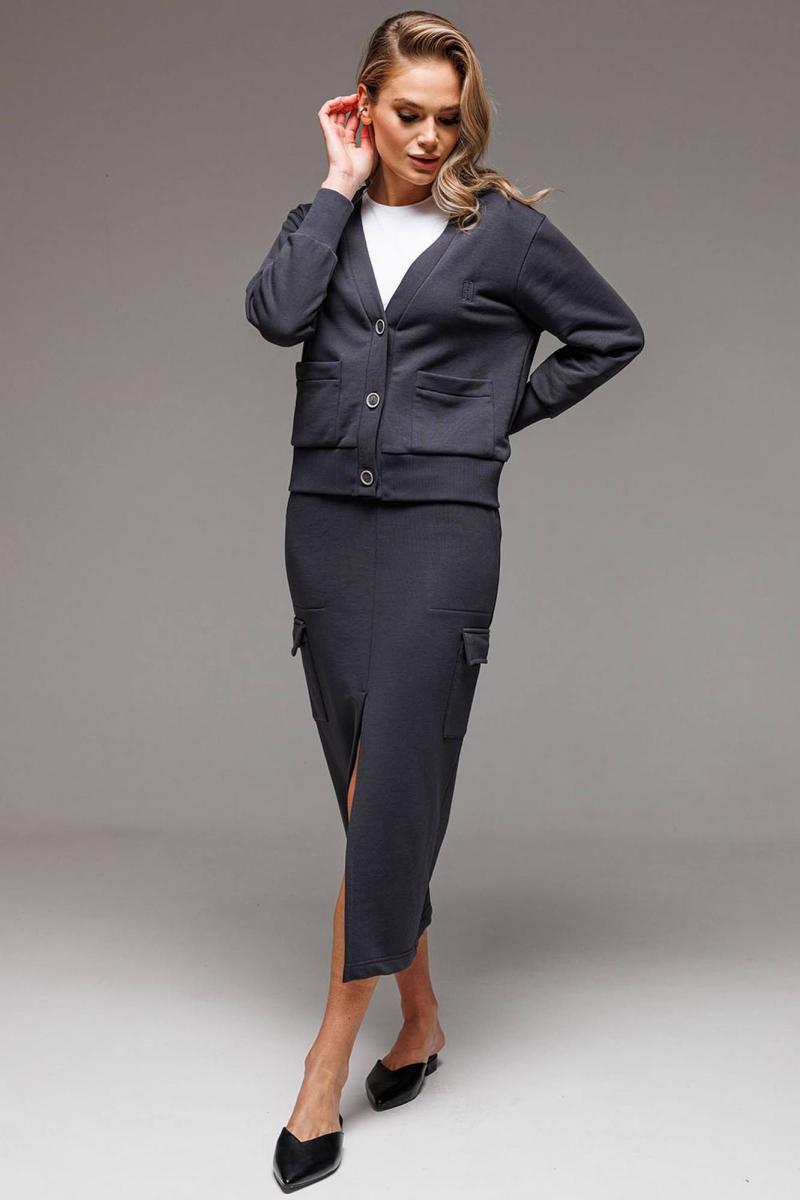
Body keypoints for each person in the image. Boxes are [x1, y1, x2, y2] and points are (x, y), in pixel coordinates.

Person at [244, 12, 645, 1192]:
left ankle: (325, 1062)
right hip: (324, 524)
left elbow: (609, 334)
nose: (428, 137)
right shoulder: (322, 222)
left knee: (389, 784)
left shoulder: (503, 231)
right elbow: (273, 316)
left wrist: (486, 420)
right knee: (364, 782)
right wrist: (334, 186)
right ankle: (418, 1022)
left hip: (441, 532)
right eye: (406, 114)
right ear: (364, 109)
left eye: (447, 118)